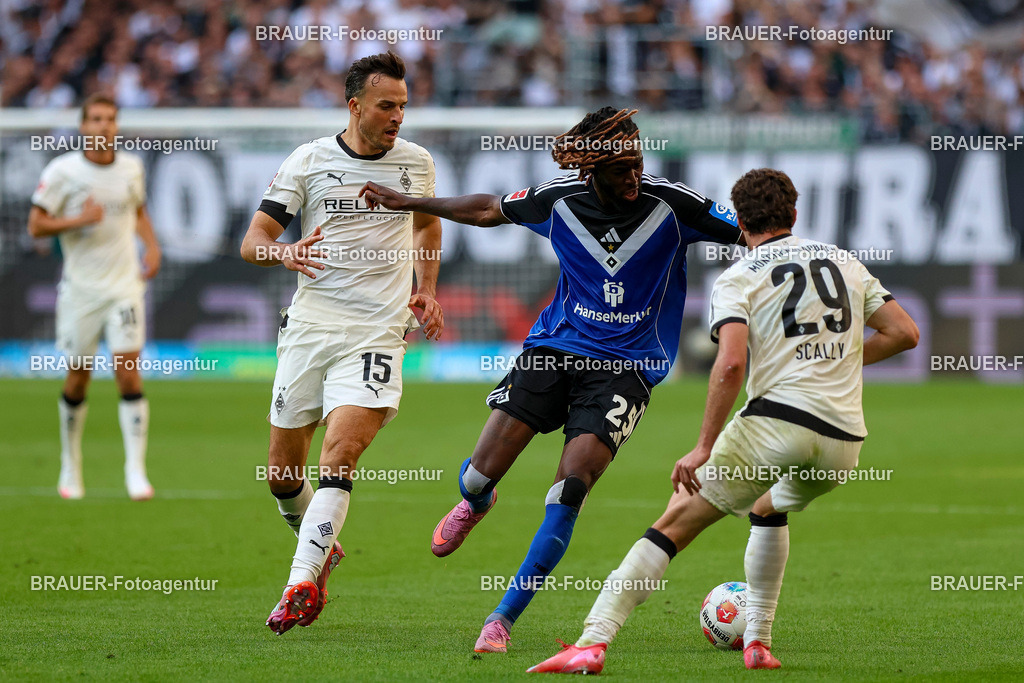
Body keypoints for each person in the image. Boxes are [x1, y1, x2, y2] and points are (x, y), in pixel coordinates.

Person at [360, 106, 743, 652]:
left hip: (625, 369)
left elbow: (753, 233)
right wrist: (409, 201)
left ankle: (503, 617)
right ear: (591, 172)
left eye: (636, 164)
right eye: (619, 171)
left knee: (570, 486)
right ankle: (477, 500)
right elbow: (490, 209)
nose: (633, 177)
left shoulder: (674, 205)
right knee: (478, 475)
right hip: (554, 351)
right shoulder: (557, 200)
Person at [528, 168, 920, 674]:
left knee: (672, 525)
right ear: (794, 215)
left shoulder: (739, 276)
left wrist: (703, 445)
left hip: (775, 425)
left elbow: (731, 363)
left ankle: (592, 641)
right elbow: (905, 333)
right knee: (767, 506)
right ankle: (757, 642)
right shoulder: (844, 261)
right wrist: (836, 361)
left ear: (739, 220)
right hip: (843, 441)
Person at [239, 51, 443, 634]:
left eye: (403, 106)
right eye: (387, 105)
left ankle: (301, 581)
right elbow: (253, 240)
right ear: (355, 106)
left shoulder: (417, 163)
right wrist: (285, 252)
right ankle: (319, 543)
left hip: (377, 333)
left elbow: (427, 224)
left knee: (341, 455)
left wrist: (424, 287)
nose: (398, 116)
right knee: (282, 475)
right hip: (308, 329)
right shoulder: (309, 160)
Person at [29, 93, 162, 501]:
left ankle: (135, 471)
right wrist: (78, 220)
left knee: (127, 370)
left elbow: (136, 211)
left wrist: (152, 247)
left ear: (116, 126)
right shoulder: (63, 171)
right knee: (79, 377)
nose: (104, 126)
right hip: (81, 292)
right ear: (83, 126)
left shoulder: (131, 168)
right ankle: (71, 466)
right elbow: (36, 225)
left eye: (110, 119)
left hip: (124, 287)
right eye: (96, 119)